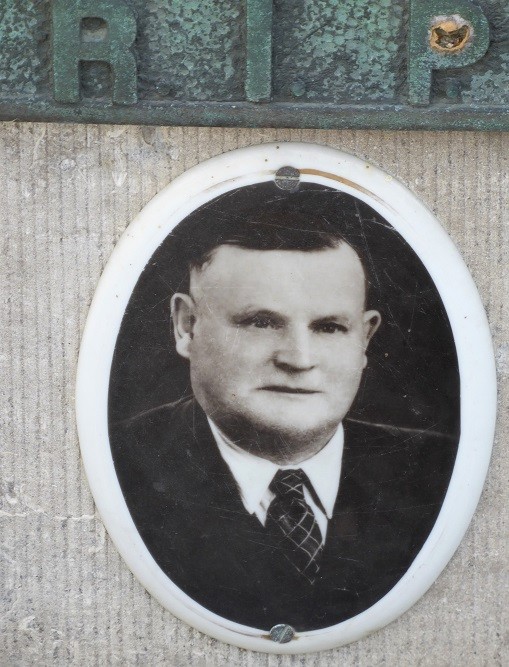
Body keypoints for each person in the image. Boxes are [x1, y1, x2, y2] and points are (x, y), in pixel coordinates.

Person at [110, 183, 458, 631]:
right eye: (260, 322)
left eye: (329, 328)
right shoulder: (123, 462)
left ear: (365, 339)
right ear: (186, 326)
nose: (297, 359)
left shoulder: (438, 467)